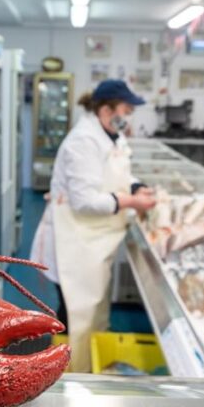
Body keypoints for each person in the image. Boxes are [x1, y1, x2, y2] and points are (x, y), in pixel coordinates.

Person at [30, 79, 157, 372]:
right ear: (106, 108)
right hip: (73, 238)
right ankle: (62, 373)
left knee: (93, 306)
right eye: (126, 108)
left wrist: (136, 187)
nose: (129, 115)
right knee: (73, 311)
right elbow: (85, 201)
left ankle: (88, 367)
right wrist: (132, 203)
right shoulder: (83, 141)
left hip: (94, 238)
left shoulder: (112, 135)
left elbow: (118, 173)